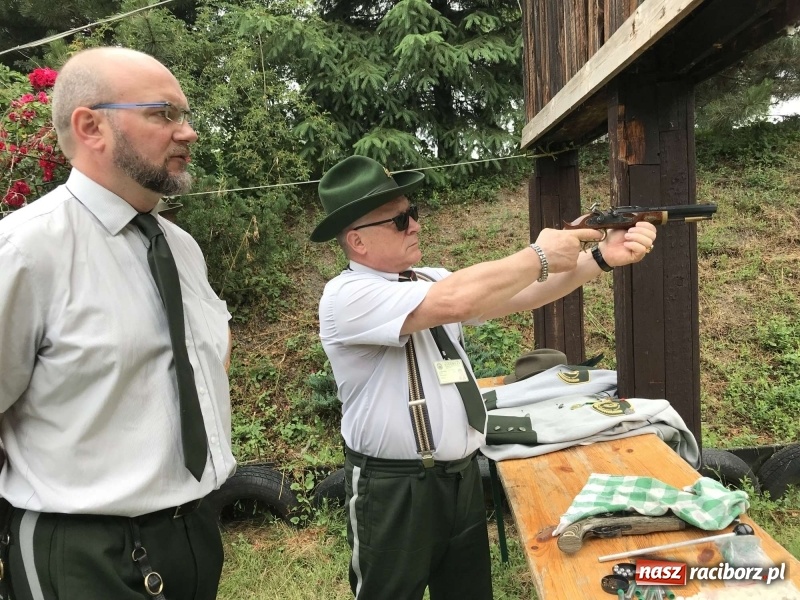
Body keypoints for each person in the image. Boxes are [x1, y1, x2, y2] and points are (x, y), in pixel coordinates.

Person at [310, 155, 657, 600]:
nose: (415, 224)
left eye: (412, 212)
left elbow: (520, 293)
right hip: (393, 487)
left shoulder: (427, 280)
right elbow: (456, 299)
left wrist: (599, 258)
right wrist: (536, 254)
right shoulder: (347, 296)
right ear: (357, 241)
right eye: (399, 220)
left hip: (460, 477)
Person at [0, 47, 235, 600]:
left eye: (184, 114)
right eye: (163, 114)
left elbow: (209, 349)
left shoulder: (180, 247)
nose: (188, 132)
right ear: (91, 126)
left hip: (194, 533)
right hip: (85, 552)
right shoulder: (24, 251)